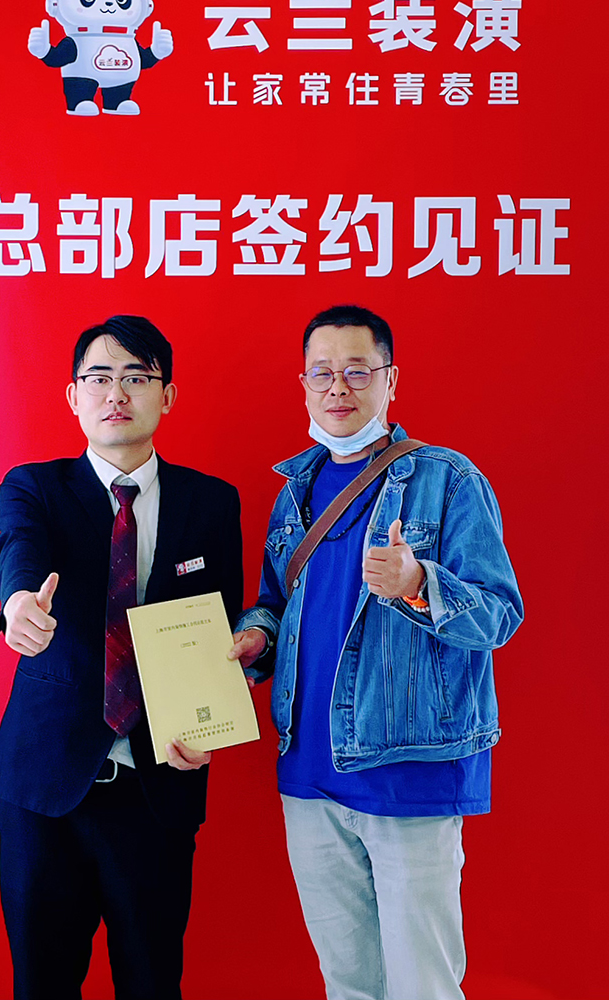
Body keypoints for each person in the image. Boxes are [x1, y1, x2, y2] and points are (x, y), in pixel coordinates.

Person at [230, 304, 523, 1000]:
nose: (339, 387)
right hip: (307, 776)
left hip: (409, 775)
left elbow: (500, 614)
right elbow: (276, 602)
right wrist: (256, 638)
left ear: (391, 380)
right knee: (348, 984)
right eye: (322, 373)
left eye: (358, 371)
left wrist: (420, 583)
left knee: (423, 984)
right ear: (304, 385)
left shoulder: (449, 480)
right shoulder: (294, 493)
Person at [0, 314, 243, 1000]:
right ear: (73, 396)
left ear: (167, 395)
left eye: (136, 377)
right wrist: (18, 603)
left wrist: (212, 723)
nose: (116, 393)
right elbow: (19, 550)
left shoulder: (212, 502)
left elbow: (219, 629)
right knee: (41, 983)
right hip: (46, 787)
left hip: (159, 783)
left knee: (153, 982)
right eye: (98, 378)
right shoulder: (35, 487)